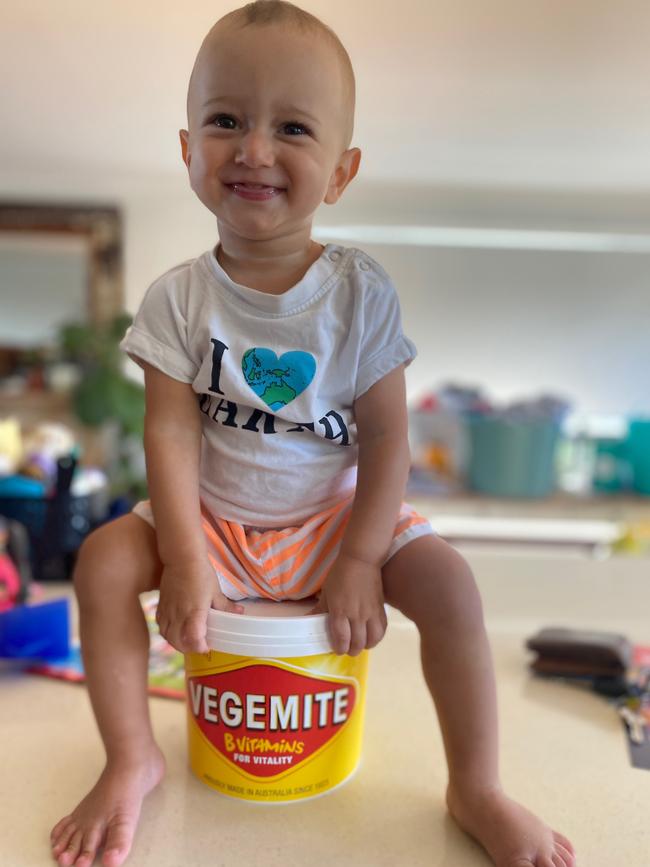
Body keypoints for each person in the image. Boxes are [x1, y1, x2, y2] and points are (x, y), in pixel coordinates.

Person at [50, 3, 577, 867]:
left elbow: (388, 444)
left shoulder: (360, 295)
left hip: (336, 521)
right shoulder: (176, 301)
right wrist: (184, 556)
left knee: (450, 587)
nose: (254, 149)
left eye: (292, 127)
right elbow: (171, 437)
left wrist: (365, 559)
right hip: (211, 521)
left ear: (340, 171)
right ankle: (132, 757)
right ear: (187, 149)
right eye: (225, 121)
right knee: (102, 561)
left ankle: (476, 783)